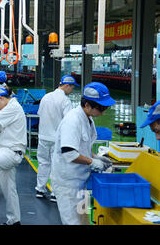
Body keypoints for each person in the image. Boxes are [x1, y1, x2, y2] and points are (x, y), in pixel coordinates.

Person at [51, 82, 115, 225]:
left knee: (83, 220)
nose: (103, 112)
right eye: (101, 108)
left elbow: (83, 147)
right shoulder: (72, 121)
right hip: (68, 183)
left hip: (81, 181)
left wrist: (95, 157)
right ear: (87, 105)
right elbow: (69, 153)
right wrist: (92, 162)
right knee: (73, 222)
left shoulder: (88, 118)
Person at [0, 87, 27, 225]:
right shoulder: (11, 108)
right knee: (9, 189)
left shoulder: (12, 107)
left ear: (1, 98)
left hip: (10, 152)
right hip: (7, 150)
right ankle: (14, 220)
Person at [35, 75, 78, 202]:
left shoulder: (46, 97)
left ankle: (40, 189)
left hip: (43, 136)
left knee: (43, 163)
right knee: (56, 165)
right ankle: (55, 193)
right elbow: (68, 121)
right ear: (67, 85)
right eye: (72, 87)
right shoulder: (65, 101)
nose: (71, 90)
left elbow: (39, 114)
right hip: (56, 139)